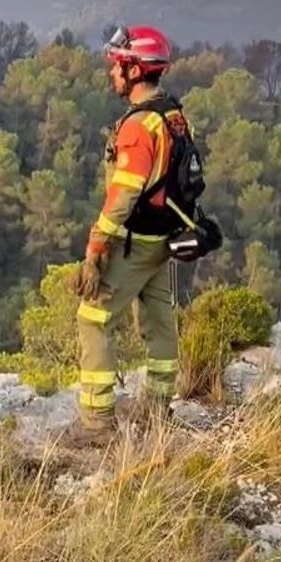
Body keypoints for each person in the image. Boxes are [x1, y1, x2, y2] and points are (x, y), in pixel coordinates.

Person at [64, 24, 200, 445]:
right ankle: (159, 413)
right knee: (159, 319)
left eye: (118, 66)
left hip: (135, 242)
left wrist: (95, 247)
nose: (112, 74)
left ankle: (98, 423)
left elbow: (124, 194)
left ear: (136, 70)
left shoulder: (138, 126)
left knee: (92, 320)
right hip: (163, 241)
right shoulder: (173, 114)